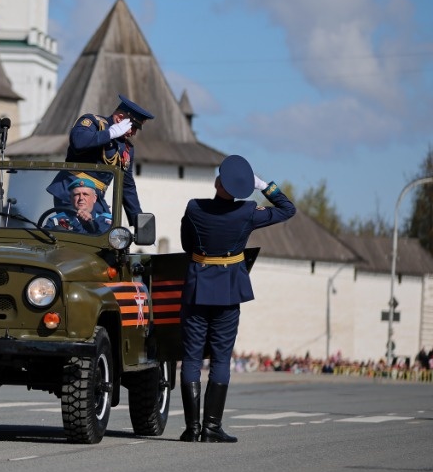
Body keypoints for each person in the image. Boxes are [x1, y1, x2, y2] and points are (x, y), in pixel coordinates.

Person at [178, 154, 296, 443]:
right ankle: (211, 428)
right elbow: (287, 208)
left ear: (218, 181)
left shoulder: (194, 208)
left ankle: (192, 429)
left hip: (198, 288)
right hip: (229, 291)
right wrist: (261, 184)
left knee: (192, 358)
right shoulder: (246, 212)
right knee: (220, 359)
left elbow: (185, 244)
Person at [46, 94, 154, 226]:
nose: (134, 133)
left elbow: (127, 186)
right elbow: (78, 142)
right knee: (79, 231)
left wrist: (139, 222)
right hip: (74, 192)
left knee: (106, 230)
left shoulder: (127, 148)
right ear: (120, 119)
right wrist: (109, 134)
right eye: (133, 127)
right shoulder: (93, 123)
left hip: (96, 199)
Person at [43, 177, 113, 234]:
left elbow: (108, 238)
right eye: (77, 195)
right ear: (70, 198)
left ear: (94, 198)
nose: (81, 198)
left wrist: (91, 223)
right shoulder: (56, 221)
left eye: (85, 194)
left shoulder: (106, 220)